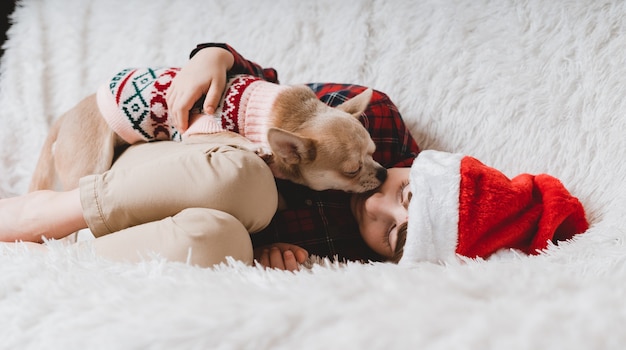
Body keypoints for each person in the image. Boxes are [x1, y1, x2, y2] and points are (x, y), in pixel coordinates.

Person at [0, 43, 588, 269]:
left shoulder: (360, 262)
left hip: (177, 223)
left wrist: (264, 253)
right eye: (407, 195)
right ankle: (42, 214)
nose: (380, 210)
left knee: (217, 244)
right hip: (155, 165)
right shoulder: (373, 122)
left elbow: (244, 243)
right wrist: (216, 55)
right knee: (246, 179)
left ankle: (66, 250)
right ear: (424, 168)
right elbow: (270, 100)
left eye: (402, 239)